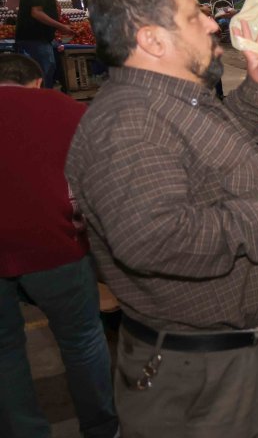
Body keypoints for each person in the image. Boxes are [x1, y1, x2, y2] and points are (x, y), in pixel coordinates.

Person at [66, 0, 258, 436]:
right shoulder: (129, 123)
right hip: (201, 378)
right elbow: (152, 240)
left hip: (230, 358)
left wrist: (257, 85)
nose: (213, 24)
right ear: (153, 40)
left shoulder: (168, 99)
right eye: (193, 16)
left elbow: (213, 160)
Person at [0, 53, 118, 438]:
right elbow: (99, 176)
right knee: (82, 337)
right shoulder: (64, 107)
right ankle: (101, 427)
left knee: (5, 350)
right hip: (54, 242)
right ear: (37, 82)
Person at [15, 0, 74, 89]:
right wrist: (61, 26)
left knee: (49, 67)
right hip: (33, 37)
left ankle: (43, 94)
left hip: (42, 37)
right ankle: (42, 97)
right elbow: (36, 13)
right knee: (45, 67)